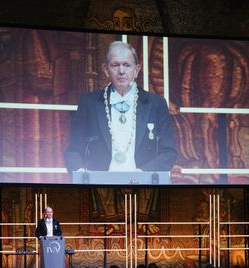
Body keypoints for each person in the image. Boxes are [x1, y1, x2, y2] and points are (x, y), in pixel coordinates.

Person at [64, 41, 177, 175]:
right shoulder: (89, 103)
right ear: (106, 69)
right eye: (115, 65)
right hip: (99, 187)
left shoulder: (156, 104)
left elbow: (168, 153)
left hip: (143, 186)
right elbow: (73, 150)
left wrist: (141, 175)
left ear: (137, 70)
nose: (121, 71)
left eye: (127, 65)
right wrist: (80, 174)